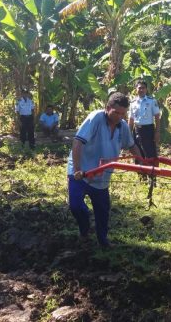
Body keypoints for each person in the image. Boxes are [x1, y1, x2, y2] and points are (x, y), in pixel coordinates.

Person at [67, 92, 142, 248]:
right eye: (116, 112)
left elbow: (132, 146)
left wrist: (142, 163)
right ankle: (85, 229)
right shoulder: (95, 118)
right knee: (76, 206)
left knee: (103, 212)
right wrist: (78, 169)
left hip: (102, 176)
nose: (119, 117)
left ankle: (102, 241)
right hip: (82, 172)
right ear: (108, 108)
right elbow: (77, 142)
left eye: (123, 113)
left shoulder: (123, 127)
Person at [128, 80, 161, 162]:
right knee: (137, 152)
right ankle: (140, 172)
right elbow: (131, 119)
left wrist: (157, 132)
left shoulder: (152, 101)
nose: (141, 90)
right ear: (136, 89)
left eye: (143, 88)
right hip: (136, 130)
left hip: (148, 130)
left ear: (146, 89)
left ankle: (151, 173)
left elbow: (157, 117)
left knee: (150, 152)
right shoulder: (133, 103)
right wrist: (128, 133)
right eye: (139, 88)